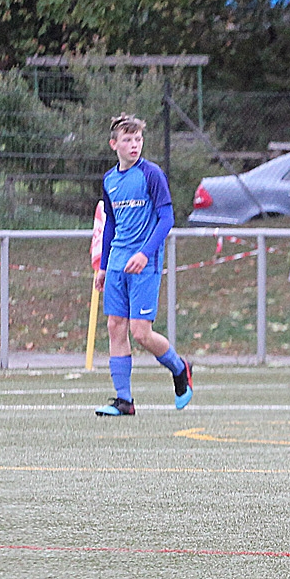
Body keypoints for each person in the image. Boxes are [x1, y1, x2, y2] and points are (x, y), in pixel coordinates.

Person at [94, 114, 192, 416]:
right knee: (115, 326)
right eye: (127, 140)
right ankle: (124, 401)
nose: (134, 145)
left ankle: (180, 368)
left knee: (141, 333)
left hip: (144, 264)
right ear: (114, 144)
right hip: (118, 262)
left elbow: (167, 218)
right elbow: (110, 224)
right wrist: (104, 266)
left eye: (138, 139)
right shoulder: (109, 180)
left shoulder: (151, 174)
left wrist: (146, 253)